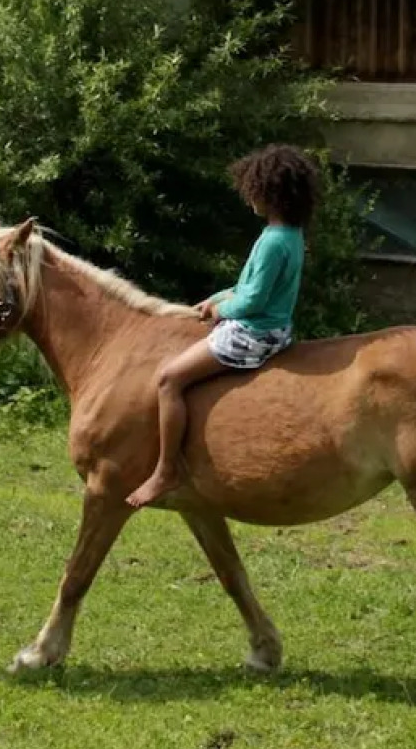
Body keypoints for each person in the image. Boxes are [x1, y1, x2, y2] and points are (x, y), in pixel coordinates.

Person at [126, 144, 320, 509]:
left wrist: (221, 312)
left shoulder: (273, 241)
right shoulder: (289, 235)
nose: (248, 198)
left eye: (253, 190)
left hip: (253, 333)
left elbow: (253, 301)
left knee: (168, 380)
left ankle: (166, 470)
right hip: (274, 328)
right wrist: (215, 299)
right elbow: (247, 287)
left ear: (269, 193)